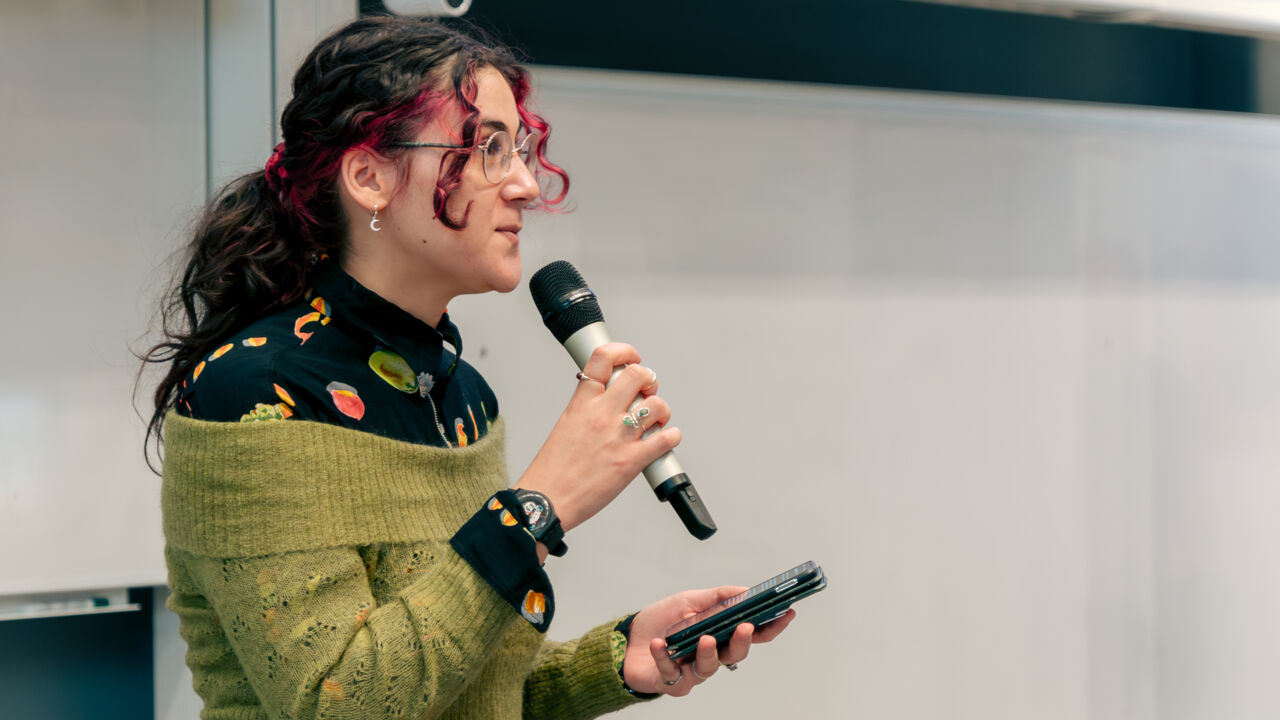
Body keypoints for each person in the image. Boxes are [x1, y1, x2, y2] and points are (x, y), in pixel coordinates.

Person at [141, 15, 794, 720]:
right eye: (487, 149)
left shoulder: (460, 399)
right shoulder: (254, 393)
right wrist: (539, 504)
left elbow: (471, 690)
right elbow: (342, 702)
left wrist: (621, 660)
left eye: (520, 151)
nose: (526, 186)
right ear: (368, 177)